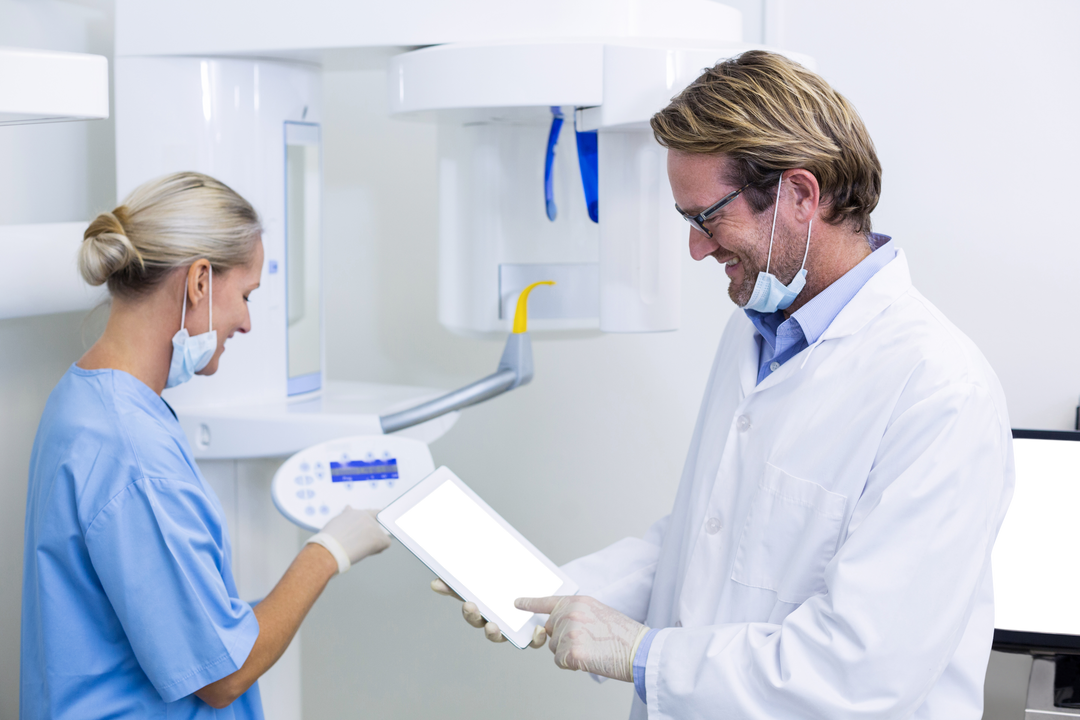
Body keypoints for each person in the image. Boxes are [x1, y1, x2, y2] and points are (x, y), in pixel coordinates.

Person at [434, 50, 1018, 719]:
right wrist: (559, 595)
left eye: (706, 216)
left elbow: (861, 668)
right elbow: (705, 540)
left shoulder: (940, 391)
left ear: (800, 195)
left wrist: (645, 654)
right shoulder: (756, 334)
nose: (697, 248)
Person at [20, 172, 390, 718]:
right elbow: (222, 675)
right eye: (245, 295)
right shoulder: (133, 452)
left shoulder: (82, 397)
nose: (244, 322)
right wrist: (328, 551)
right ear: (198, 282)